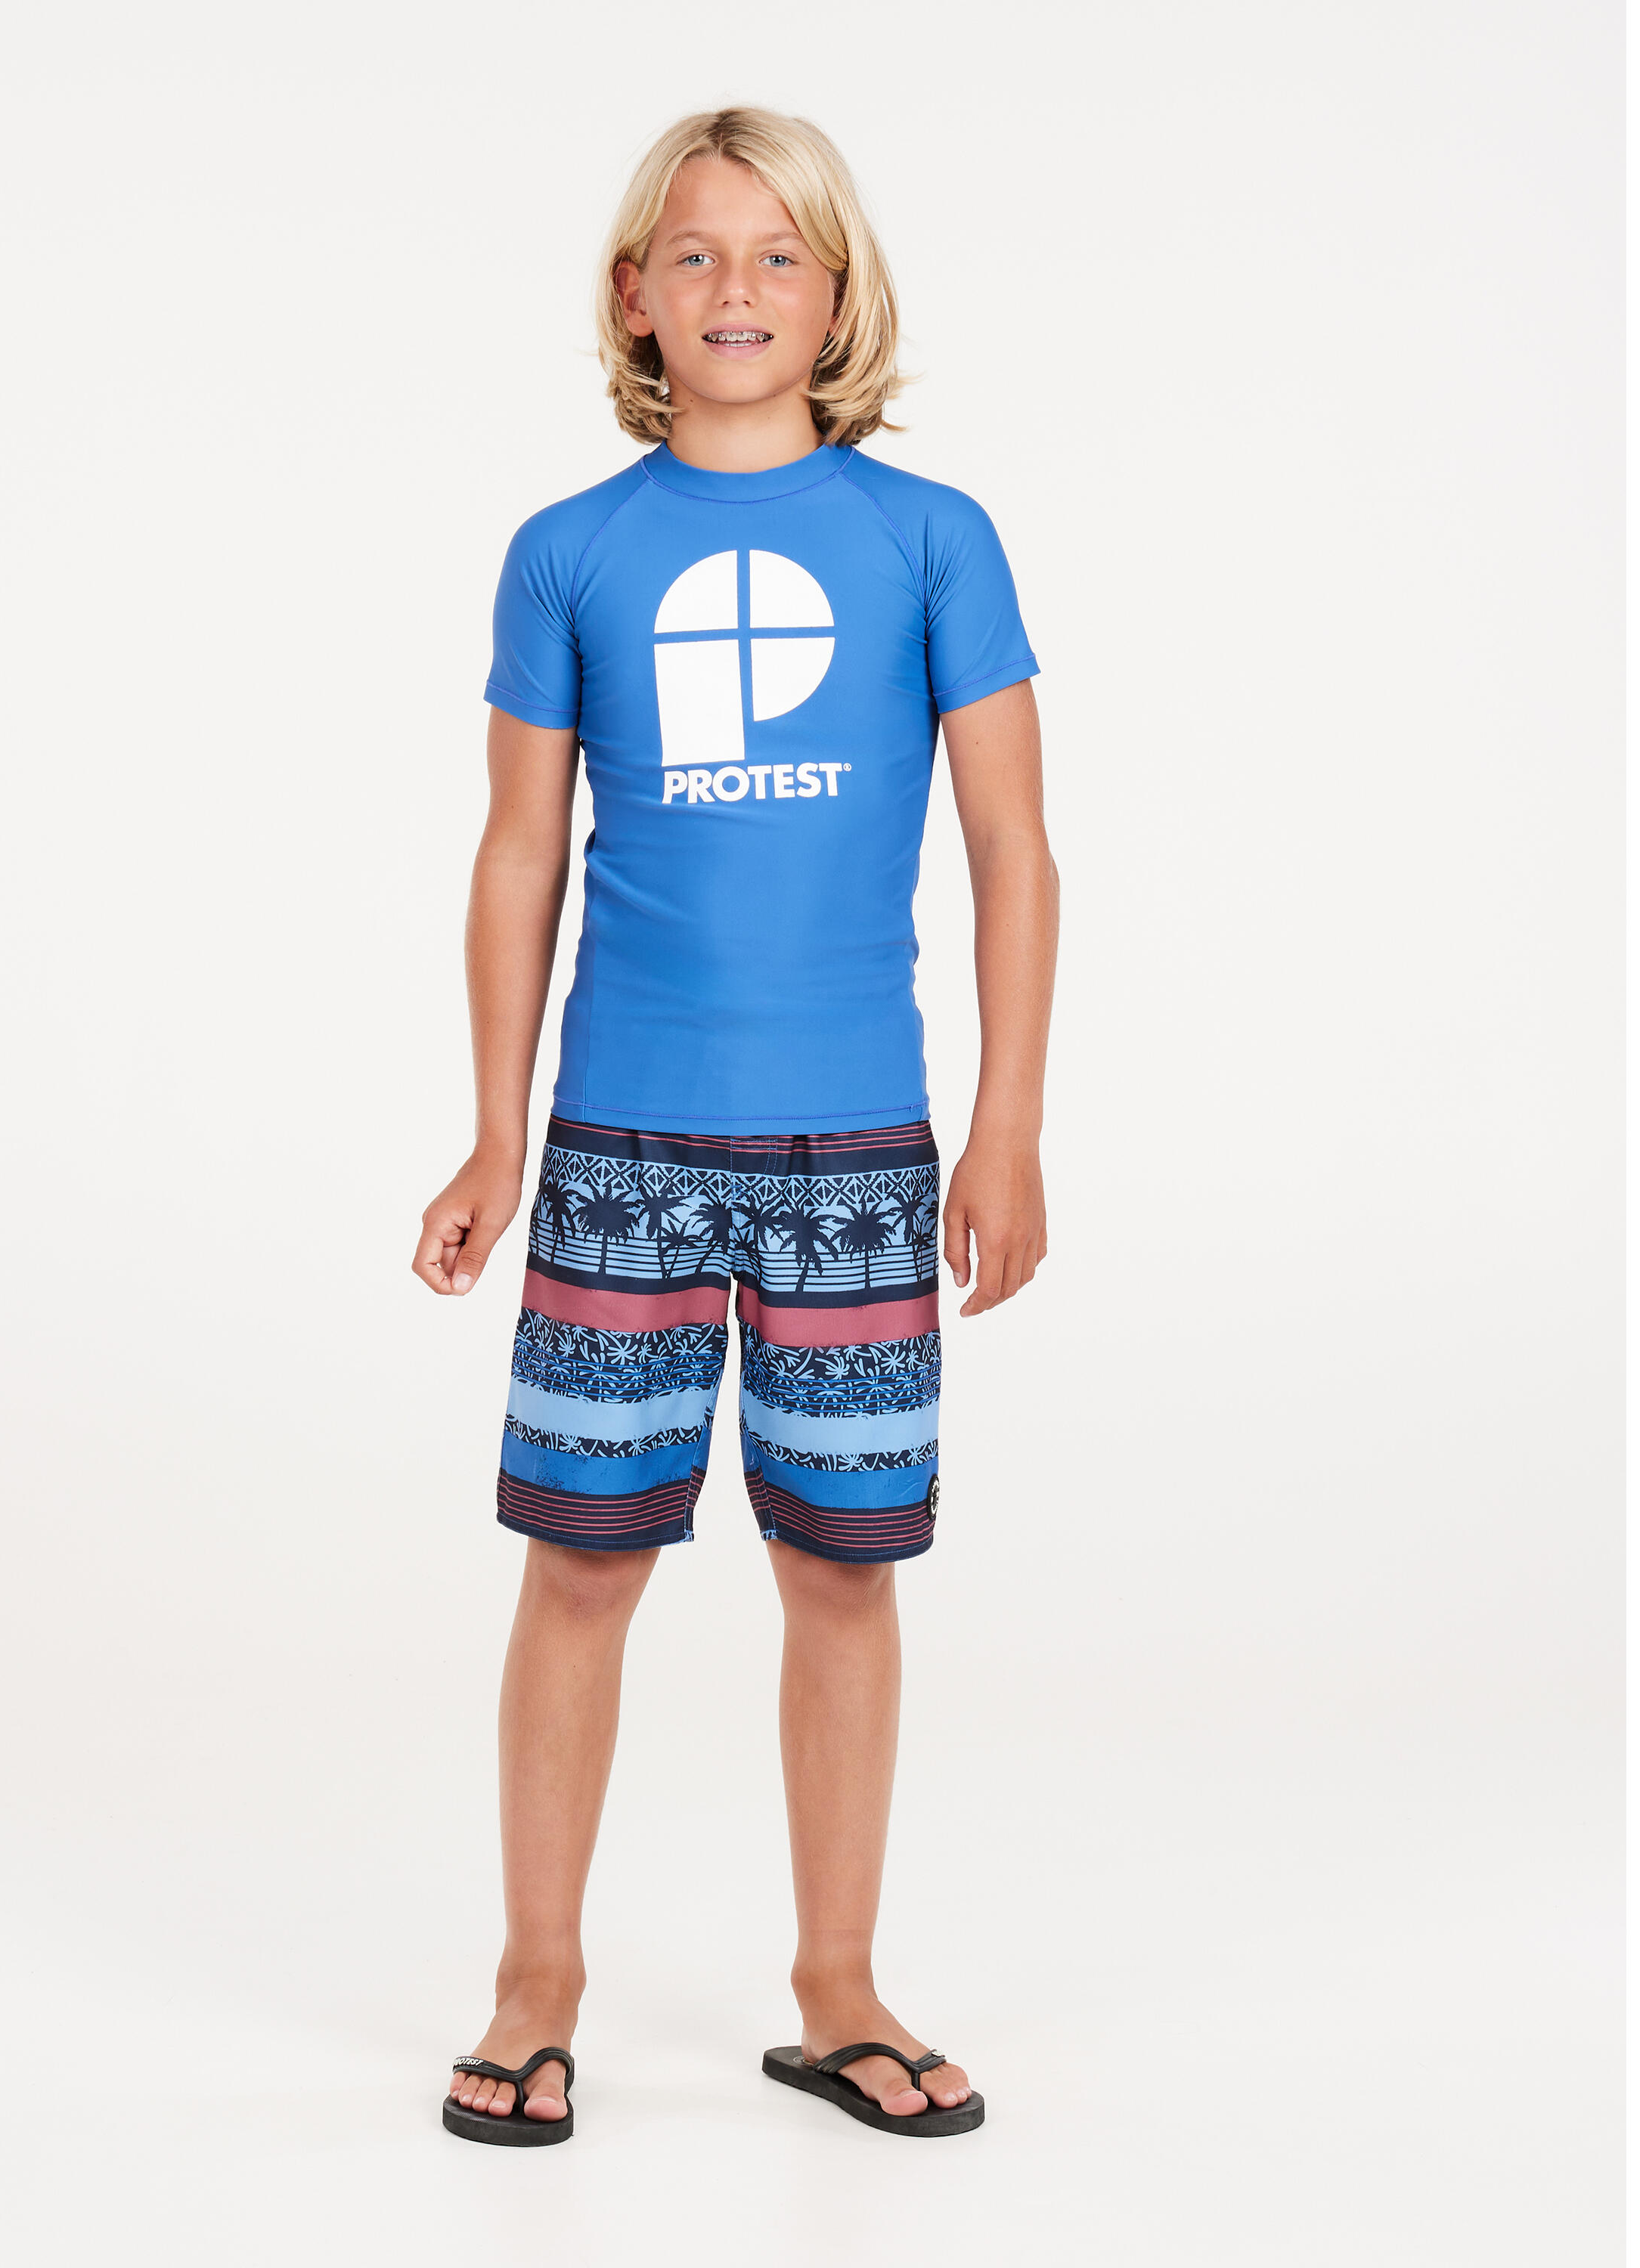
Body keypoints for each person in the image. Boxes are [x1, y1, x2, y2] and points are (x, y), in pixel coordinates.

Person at [417, 107, 1058, 2146]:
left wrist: (1009, 1127)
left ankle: (838, 1984)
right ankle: (535, 1983)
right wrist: (495, 1135)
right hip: (623, 1146)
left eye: (781, 255)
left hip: (856, 1158)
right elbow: (519, 856)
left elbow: (1012, 848)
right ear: (634, 296)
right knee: (580, 1562)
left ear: (840, 295)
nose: (736, 290)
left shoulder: (933, 540)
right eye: (693, 254)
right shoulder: (571, 551)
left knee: (843, 1569)